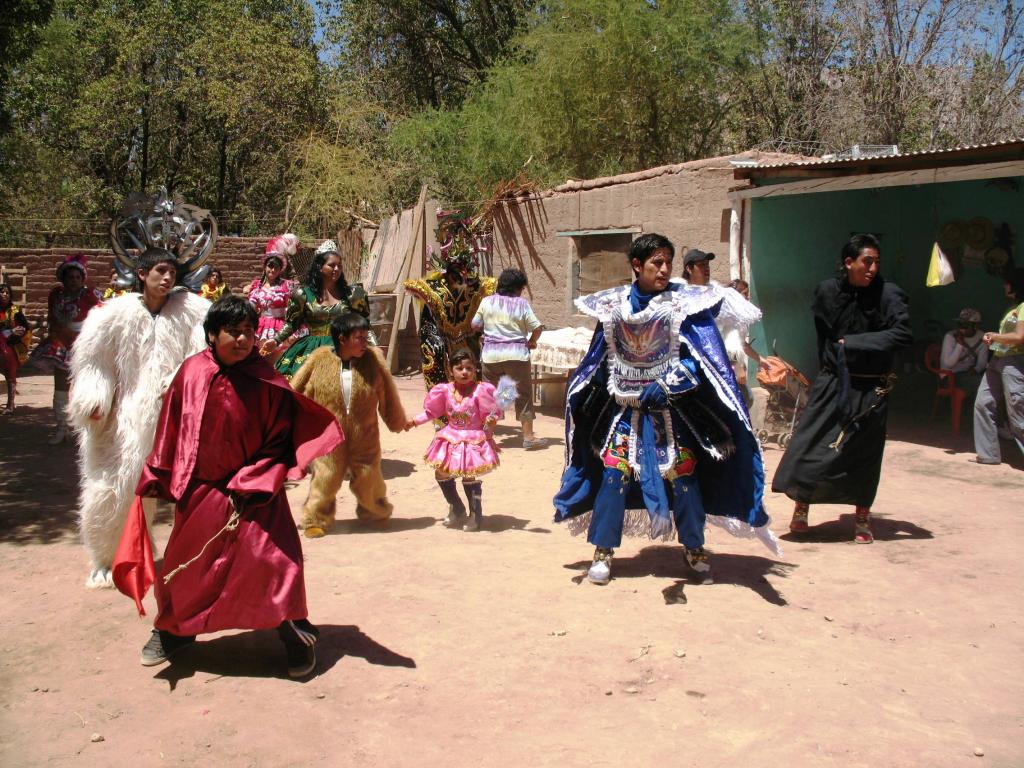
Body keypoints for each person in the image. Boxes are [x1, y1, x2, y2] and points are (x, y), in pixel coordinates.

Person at [134, 295, 344, 677]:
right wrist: (160, 473)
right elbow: (171, 428)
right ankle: (173, 632)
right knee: (185, 568)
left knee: (274, 564)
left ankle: (293, 635)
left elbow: (280, 436)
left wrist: (254, 480)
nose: (244, 339)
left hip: (255, 492)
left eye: (249, 331)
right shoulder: (192, 373)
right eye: (233, 331)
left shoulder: (265, 377)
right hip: (203, 490)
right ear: (213, 334)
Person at [553, 234, 779, 585]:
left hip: (672, 416)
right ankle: (602, 551)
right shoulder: (612, 307)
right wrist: (588, 392)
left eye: (668, 262)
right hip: (623, 414)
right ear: (636, 266)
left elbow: (702, 360)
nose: (664, 269)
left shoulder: (684, 306)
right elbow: (600, 357)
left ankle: (693, 547)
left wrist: (666, 386)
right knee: (614, 476)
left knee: (683, 478)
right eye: (656, 262)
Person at [68, 190, 215, 588]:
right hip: (124, 418)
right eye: (159, 272)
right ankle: (106, 556)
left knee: (199, 489)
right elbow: (93, 361)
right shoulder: (111, 316)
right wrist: (96, 397)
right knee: (114, 485)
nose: (166, 277)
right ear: (141, 274)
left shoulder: (194, 313)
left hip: (178, 414)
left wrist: (179, 384)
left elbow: (203, 356)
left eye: (171, 271)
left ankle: (199, 558)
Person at [772, 234, 912, 543]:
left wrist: (856, 343)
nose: (873, 268)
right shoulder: (827, 292)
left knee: (864, 453)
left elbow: (902, 334)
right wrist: (829, 366)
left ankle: (862, 517)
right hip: (833, 381)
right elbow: (824, 336)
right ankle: (801, 507)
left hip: (872, 387)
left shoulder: (889, 294)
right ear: (849, 263)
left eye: (877, 262)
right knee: (809, 446)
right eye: (867, 261)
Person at [290, 312, 409, 537]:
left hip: (365, 433)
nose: (365, 342)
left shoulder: (373, 361)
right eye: (359, 337)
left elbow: (388, 394)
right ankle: (316, 518)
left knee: (369, 475)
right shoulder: (318, 359)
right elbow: (295, 390)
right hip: (327, 434)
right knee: (326, 476)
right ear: (342, 338)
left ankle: (374, 511)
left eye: (366, 337)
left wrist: (397, 420)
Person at [406, 348, 501, 532]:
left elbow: (490, 415)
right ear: (451, 371)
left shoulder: (481, 390)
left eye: (469, 368)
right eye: (459, 368)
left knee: (468, 475)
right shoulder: (444, 391)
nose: (464, 372)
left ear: (475, 370)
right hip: (450, 438)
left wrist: (490, 424)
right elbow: (431, 412)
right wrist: (414, 422)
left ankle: (475, 514)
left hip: (472, 440)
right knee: (441, 473)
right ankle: (456, 507)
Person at [404, 211, 496, 391]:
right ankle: (443, 414)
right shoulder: (432, 288)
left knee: (470, 376)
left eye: (465, 270)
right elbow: (427, 325)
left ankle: (471, 411)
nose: (462, 276)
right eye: (457, 271)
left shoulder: (477, 286)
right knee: (439, 363)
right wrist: (437, 343)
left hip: (467, 342)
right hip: (441, 341)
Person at [261, 240, 371, 378]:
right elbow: (291, 324)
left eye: (339, 266)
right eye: (331, 265)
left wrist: (374, 348)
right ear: (319, 267)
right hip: (313, 349)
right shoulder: (303, 295)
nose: (336, 269)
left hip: (344, 347)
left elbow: (365, 324)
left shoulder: (353, 295)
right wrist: (276, 340)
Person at [30, 254, 102, 443]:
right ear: (63, 278)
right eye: (70, 277)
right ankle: (62, 427)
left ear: (83, 279)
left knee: (84, 386)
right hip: (62, 344)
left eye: (78, 277)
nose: (74, 281)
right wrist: (56, 334)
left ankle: (84, 428)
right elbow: (52, 317)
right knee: (61, 385)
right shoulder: (56, 295)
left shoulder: (90, 294)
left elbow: (105, 313)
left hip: (84, 344)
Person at [471, 268, 544, 448]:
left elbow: (475, 325)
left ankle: (487, 435)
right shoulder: (522, 304)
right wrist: (532, 342)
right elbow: (537, 327)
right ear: (518, 288)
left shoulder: (486, 302)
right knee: (523, 395)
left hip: (490, 357)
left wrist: (485, 334)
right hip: (517, 356)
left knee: (492, 396)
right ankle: (528, 437)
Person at [972, 268, 1024, 465]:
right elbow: (1008, 337)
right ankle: (988, 455)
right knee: (983, 404)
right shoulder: (1014, 308)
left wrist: (995, 336)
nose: (1004, 286)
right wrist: (993, 340)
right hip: (998, 360)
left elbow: (1019, 338)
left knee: (1017, 412)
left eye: (1007, 282)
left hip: (1015, 363)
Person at [245, 234, 298, 351]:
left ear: (280, 270)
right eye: (270, 266)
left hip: (281, 325)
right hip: (261, 326)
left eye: (276, 267)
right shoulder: (256, 286)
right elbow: (251, 307)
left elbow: (293, 308)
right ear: (265, 267)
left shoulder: (286, 286)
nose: (273, 270)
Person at [0, 283, 31, 413]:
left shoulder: (15, 311)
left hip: (8, 347)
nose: (5, 295)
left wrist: (17, 333)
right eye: (2, 292)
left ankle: (10, 404)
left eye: (7, 292)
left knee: (10, 375)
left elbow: (26, 327)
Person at [941, 308, 988, 383]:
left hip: (968, 373)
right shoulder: (950, 336)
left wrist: (976, 370)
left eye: (965, 325)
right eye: (959, 324)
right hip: (950, 375)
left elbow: (982, 363)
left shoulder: (982, 337)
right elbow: (948, 365)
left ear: (976, 326)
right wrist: (960, 344)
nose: (961, 328)